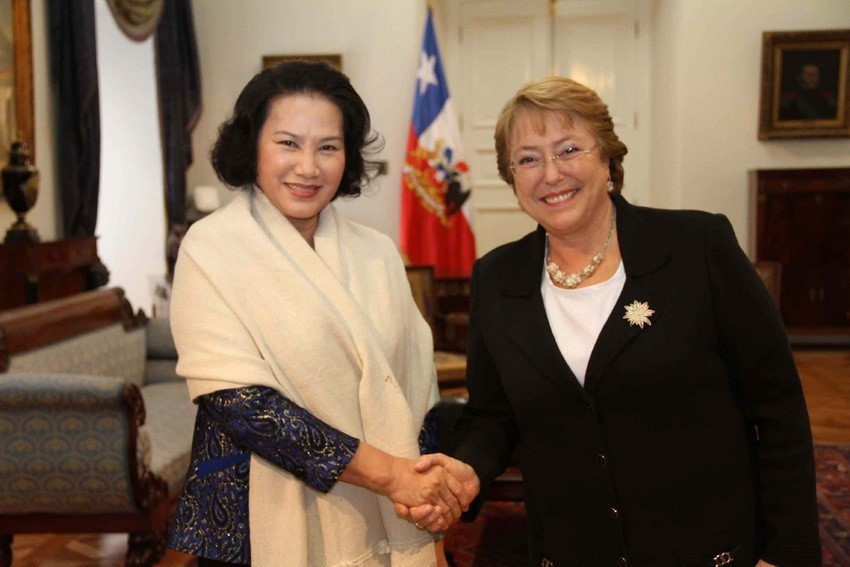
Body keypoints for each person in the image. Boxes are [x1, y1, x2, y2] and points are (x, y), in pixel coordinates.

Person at [403, 76, 821, 566]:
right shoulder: (496, 278)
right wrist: (468, 468)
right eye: (528, 159)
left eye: (568, 149)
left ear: (607, 157)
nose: (551, 174)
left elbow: (777, 406)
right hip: (570, 550)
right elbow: (493, 415)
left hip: (706, 549)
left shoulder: (696, 246)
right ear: (511, 176)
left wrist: (786, 553)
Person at [166, 61, 478, 566]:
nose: (308, 167)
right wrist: (392, 475)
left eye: (328, 147)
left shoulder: (378, 252)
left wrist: (422, 491)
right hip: (254, 519)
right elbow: (243, 406)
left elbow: (414, 387)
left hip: (390, 511)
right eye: (288, 143)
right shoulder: (211, 247)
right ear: (253, 145)